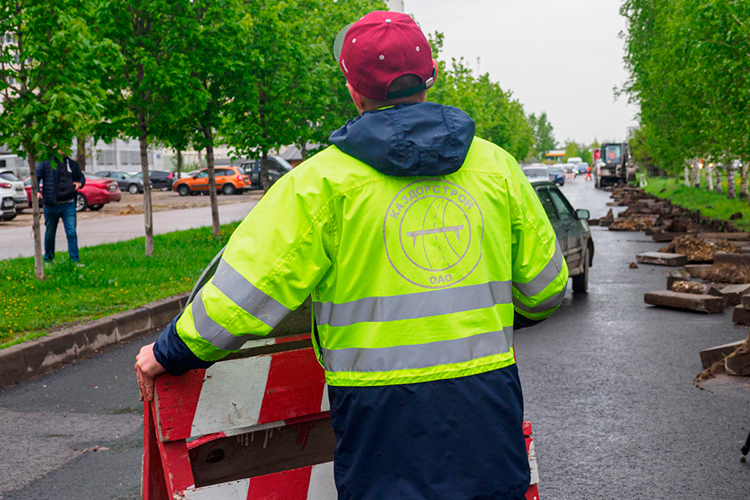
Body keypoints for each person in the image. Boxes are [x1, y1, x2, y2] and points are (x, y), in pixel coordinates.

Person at [135, 11, 568, 500]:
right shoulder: (497, 168)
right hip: (488, 413)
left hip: (379, 422)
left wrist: (169, 352)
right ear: (432, 78)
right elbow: (546, 290)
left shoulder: (317, 185)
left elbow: (243, 296)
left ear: (353, 89)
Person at [36, 150, 85, 264]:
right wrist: (37, 191)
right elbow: (36, 177)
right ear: (56, 146)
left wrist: (80, 184)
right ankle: (49, 260)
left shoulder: (71, 163)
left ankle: (75, 261)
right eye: (61, 145)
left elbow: (81, 178)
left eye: (66, 145)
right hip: (51, 204)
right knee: (50, 234)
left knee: (71, 232)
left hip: (68, 204)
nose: (64, 149)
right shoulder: (46, 162)